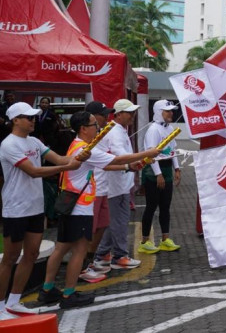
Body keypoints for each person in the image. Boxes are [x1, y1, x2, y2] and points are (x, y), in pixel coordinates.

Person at [37, 111, 162, 310]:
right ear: (83, 129)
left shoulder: (78, 145)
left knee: (61, 249)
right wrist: (148, 153)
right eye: (94, 124)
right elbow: (116, 160)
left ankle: (47, 289)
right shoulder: (87, 148)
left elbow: (104, 165)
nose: (99, 128)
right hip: (80, 207)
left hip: (72, 205)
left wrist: (129, 167)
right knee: (78, 251)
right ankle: (69, 294)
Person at [0, 103, 85, 319]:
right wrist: (67, 167)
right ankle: (1, 306)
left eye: (33, 117)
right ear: (15, 120)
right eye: (27, 117)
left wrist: (82, 155)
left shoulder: (35, 141)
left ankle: (13, 302)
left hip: (35, 208)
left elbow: (59, 159)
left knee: (31, 255)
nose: (32, 120)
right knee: (10, 258)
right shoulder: (8, 144)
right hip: (16, 209)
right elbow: (33, 171)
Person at [93, 99, 145, 275]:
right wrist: (142, 157)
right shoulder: (115, 131)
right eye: (129, 113)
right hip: (114, 185)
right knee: (119, 222)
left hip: (120, 184)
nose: (132, 116)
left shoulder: (119, 130)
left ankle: (103, 254)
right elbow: (120, 156)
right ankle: (119, 256)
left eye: (133, 112)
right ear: (119, 114)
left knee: (112, 222)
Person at [138, 100, 182, 254]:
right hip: (153, 172)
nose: (171, 113)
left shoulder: (169, 128)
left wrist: (177, 168)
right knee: (151, 207)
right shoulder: (153, 130)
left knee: (165, 207)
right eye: (167, 111)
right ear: (158, 112)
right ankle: (144, 242)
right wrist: (159, 174)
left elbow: (172, 150)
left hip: (167, 171)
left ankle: (165, 239)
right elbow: (150, 155)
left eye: (171, 111)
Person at [81, 101, 115, 283]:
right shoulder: (88, 141)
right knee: (88, 231)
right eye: (103, 114)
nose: (106, 117)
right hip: (91, 191)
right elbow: (109, 161)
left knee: (101, 227)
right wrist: (129, 164)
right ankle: (82, 266)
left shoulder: (102, 133)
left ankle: (91, 261)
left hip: (103, 188)